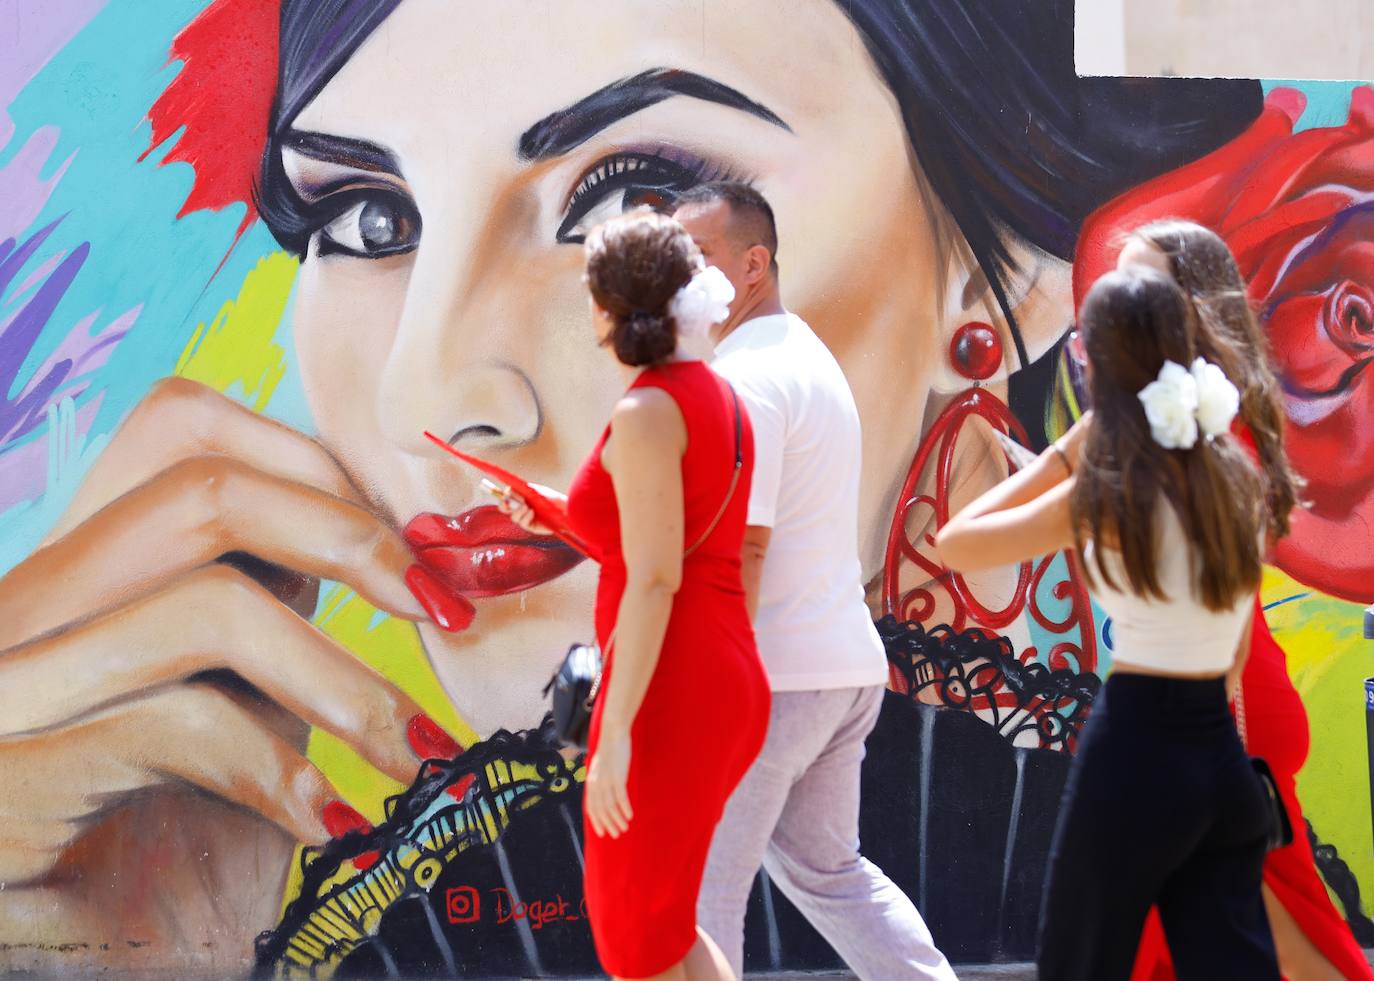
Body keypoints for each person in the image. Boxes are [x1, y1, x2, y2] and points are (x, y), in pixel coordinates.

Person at [0, 0, 1274, 966]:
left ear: (1006, 270)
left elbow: (664, 572)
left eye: (634, 195)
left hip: (737, 684)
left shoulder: (700, 400)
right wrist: (128, 942)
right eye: (370, 222)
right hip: (823, 679)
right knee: (818, 876)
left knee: (676, 906)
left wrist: (614, 734)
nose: (428, 392)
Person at [937, 266, 1285, 980]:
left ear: (1095, 357)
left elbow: (960, 539)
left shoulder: (1107, 485)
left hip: (1137, 743)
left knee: (1078, 960)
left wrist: (1066, 454)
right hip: (1218, 750)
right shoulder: (1229, 470)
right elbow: (1239, 633)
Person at [669, 182, 956, 980]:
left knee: (700, 898)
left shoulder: (742, 381)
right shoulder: (798, 354)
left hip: (771, 678)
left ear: (753, 265)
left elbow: (743, 550)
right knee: (830, 873)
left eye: (695, 258)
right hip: (838, 671)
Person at [505, 208, 770, 980]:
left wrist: (614, 733)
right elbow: (661, 536)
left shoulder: (648, 408)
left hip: (671, 682)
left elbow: (656, 576)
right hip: (713, 670)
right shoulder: (709, 394)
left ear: (610, 305)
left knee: (631, 935)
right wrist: (556, 508)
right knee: (665, 924)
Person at [1116, 221, 1373, 981]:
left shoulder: (1200, 418)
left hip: (1220, 713)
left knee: (1274, 927)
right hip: (1206, 710)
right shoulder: (1188, 409)